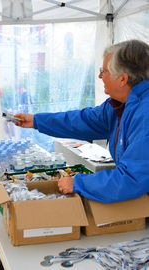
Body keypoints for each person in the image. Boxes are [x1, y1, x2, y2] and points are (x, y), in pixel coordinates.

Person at [14, 39, 149, 204]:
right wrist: (36, 120)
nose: (100, 76)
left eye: (104, 71)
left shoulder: (144, 115)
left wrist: (78, 182)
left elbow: (131, 179)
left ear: (122, 79)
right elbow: (83, 120)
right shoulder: (121, 104)